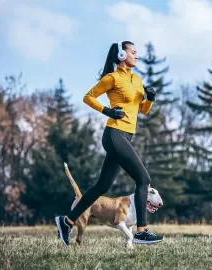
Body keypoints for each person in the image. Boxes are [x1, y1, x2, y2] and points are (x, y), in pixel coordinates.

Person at [55, 41, 163, 246]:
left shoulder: (137, 79)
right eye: (133, 52)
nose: (136, 56)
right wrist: (108, 111)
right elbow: (89, 97)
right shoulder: (112, 78)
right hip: (115, 134)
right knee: (143, 178)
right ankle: (141, 230)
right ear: (122, 55)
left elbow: (143, 110)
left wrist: (151, 98)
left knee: (101, 186)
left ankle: (66, 221)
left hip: (126, 136)